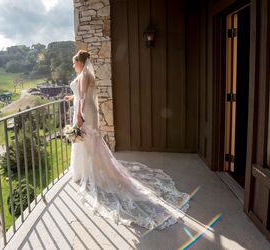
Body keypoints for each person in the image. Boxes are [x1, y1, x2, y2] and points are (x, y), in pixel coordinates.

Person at [63, 50, 190, 231]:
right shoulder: (87, 74)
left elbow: (83, 97)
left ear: (81, 63)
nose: (73, 65)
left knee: (89, 144)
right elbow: (81, 95)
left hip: (85, 113)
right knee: (91, 143)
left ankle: (95, 172)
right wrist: (71, 97)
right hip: (88, 111)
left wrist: (78, 116)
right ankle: (93, 170)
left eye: (74, 62)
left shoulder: (84, 75)